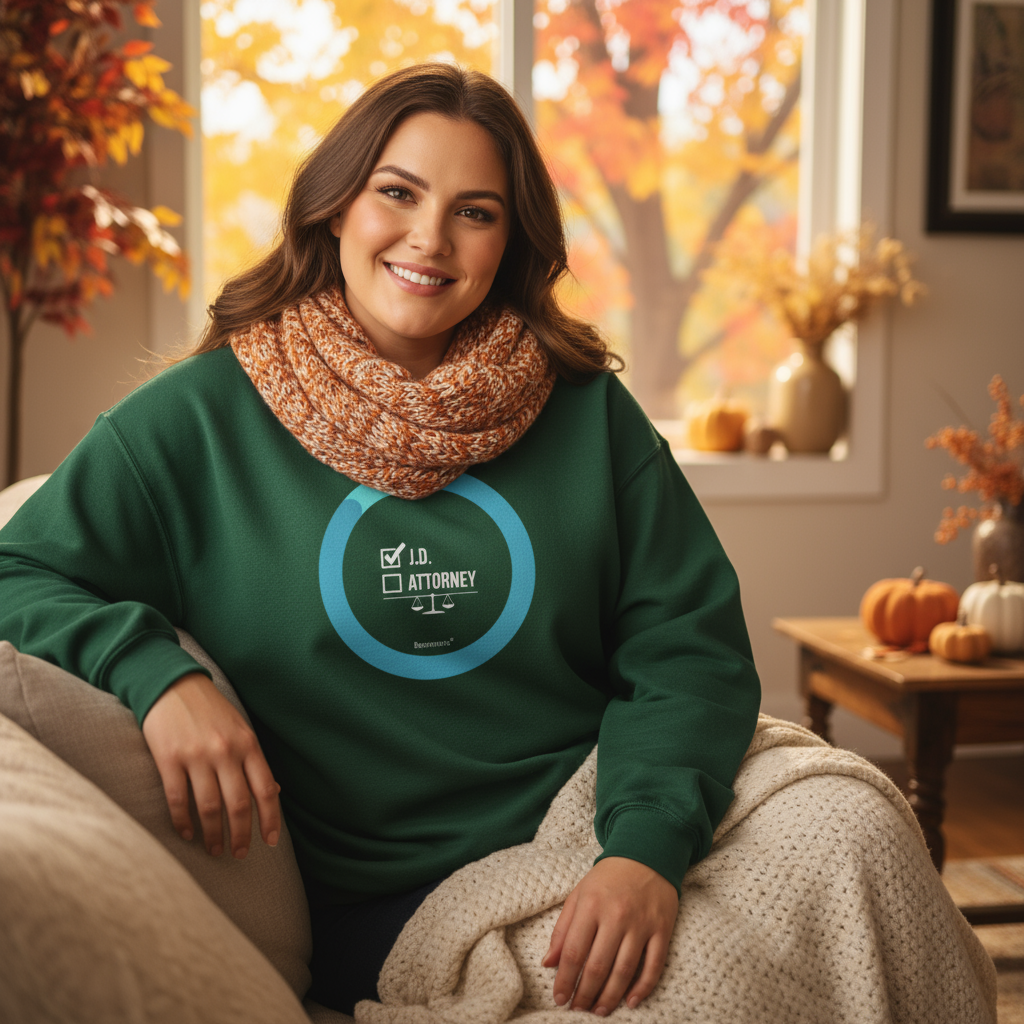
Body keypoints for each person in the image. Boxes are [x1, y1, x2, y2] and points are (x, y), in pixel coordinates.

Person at [0, 63, 760, 1017]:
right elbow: (16, 567)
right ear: (333, 207)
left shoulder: (587, 413)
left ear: (510, 241)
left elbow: (690, 649)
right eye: (396, 193)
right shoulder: (198, 424)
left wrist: (643, 848)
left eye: (475, 211)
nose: (429, 239)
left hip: (602, 829)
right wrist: (157, 674)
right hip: (394, 907)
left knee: (853, 839)